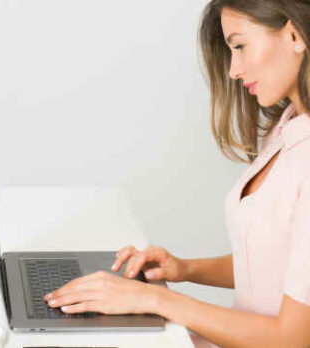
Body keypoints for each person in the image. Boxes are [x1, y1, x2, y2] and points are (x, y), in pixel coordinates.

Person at [44, 0, 310, 346]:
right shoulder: (288, 127)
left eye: (240, 46)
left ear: (294, 35)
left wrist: (155, 299)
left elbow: (292, 338)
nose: (233, 70)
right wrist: (184, 269)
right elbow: (274, 263)